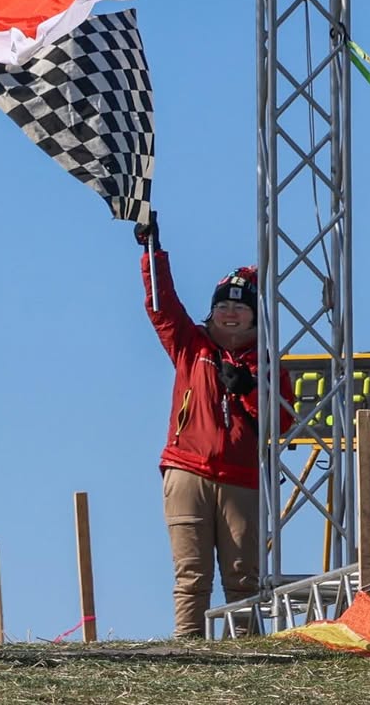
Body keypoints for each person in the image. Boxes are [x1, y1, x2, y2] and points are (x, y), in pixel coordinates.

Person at [134, 211, 295, 638]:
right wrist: (153, 253)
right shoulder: (192, 344)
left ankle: (244, 652)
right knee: (191, 575)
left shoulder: (268, 362)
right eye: (222, 305)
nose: (229, 314)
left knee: (243, 577)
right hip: (187, 470)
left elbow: (281, 423)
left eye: (239, 307)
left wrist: (246, 388)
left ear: (254, 315)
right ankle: (189, 648)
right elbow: (161, 308)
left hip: (242, 480)